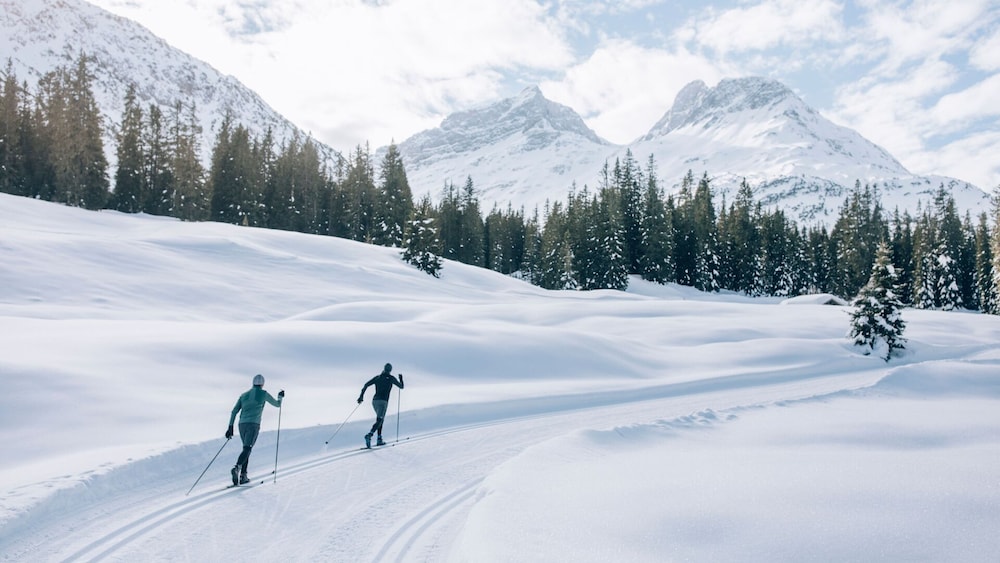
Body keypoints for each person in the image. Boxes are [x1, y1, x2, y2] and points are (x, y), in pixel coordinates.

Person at [226, 374, 284, 485]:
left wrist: (230, 427)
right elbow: (277, 405)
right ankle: (237, 468)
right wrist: (280, 397)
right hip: (253, 425)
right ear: (262, 384)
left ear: (253, 383)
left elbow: (234, 411)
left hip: (241, 425)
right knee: (247, 448)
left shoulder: (244, 395)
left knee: (246, 449)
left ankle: (243, 476)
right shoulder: (264, 394)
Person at [357, 363, 404, 448]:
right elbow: (401, 387)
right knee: (380, 420)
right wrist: (401, 379)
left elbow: (366, 385)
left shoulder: (377, 377)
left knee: (379, 420)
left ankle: (379, 438)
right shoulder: (391, 378)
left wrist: (361, 396)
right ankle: (369, 435)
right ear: (390, 370)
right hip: (383, 402)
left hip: (375, 401)